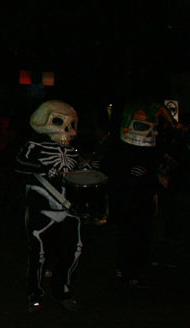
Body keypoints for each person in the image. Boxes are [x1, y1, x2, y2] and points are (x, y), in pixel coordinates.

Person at [14, 100, 91, 312]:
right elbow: (19, 164)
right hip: (42, 208)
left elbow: (84, 173)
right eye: (60, 122)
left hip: (68, 210)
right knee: (38, 254)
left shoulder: (74, 151)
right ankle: (34, 295)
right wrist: (43, 168)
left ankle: (62, 291)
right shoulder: (34, 146)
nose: (68, 130)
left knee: (74, 251)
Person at [101, 103, 171, 289]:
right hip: (128, 200)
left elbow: (155, 164)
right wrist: (127, 173)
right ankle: (128, 272)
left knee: (139, 235)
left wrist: (153, 174)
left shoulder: (148, 148)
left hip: (142, 199)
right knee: (130, 236)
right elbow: (109, 168)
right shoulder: (120, 147)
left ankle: (131, 268)